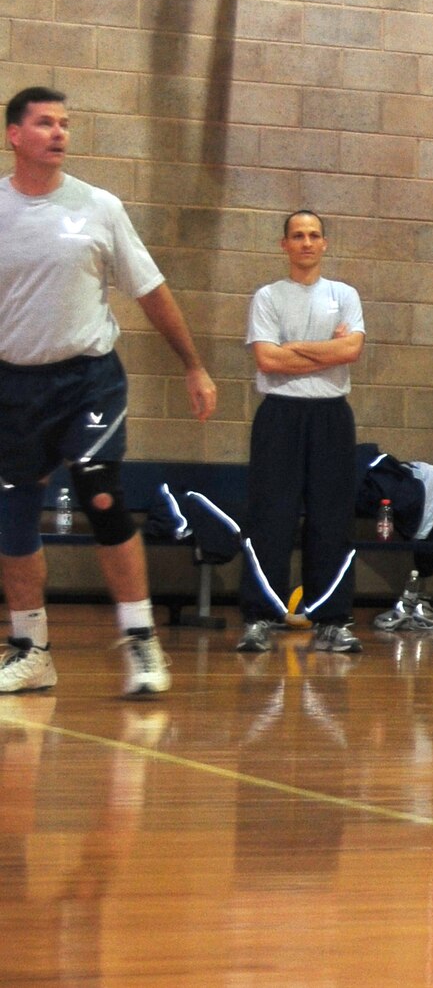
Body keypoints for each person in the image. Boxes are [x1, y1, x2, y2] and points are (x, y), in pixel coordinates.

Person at [0, 86, 217, 698]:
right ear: (15, 134)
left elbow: (150, 290)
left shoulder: (99, 207)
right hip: (15, 385)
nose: (59, 133)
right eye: (45, 123)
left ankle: (142, 640)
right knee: (14, 513)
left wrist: (193, 365)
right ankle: (31, 650)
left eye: (65, 123)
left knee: (99, 490)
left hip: (87, 377)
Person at [236, 210, 367, 656]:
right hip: (280, 417)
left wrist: (294, 347)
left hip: (330, 416)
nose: (306, 242)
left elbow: (351, 349)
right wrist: (326, 351)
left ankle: (331, 620)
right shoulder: (268, 297)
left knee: (331, 519)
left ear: (325, 243)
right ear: (284, 245)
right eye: (298, 236)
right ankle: (259, 617)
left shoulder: (344, 294)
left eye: (313, 235)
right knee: (270, 517)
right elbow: (268, 361)